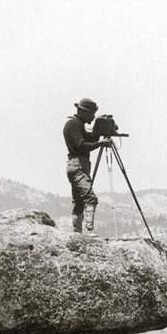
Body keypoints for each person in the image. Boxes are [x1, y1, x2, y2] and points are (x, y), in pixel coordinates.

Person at [63, 97, 112, 233]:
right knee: (90, 198)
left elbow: (88, 139)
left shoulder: (77, 125)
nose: (93, 117)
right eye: (92, 113)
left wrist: (97, 130)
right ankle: (90, 231)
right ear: (83, 112)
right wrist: (100, 144)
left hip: (80, 165)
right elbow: (82, 145)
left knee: (79, 203)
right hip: (77, 165)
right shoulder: (73, 124)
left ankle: (77, 233)